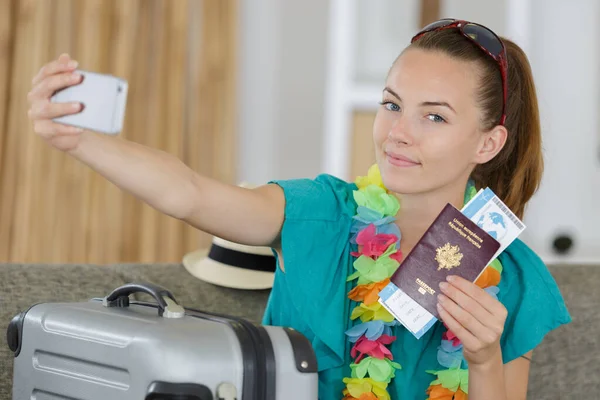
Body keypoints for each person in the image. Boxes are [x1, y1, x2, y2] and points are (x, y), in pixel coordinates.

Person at [27, 18, 571, 400]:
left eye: (434, 117)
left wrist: (482, 360)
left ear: (487, 144)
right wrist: (82, 141)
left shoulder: (515, 276)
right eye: (391, 104)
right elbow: (189, 193)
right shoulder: (318, 214)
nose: (398, 134)